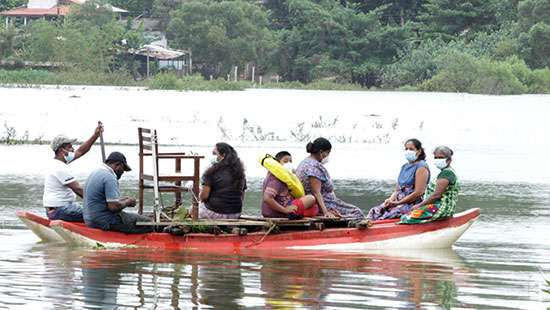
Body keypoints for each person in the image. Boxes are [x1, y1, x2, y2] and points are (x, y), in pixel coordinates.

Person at [42, 122, 103, 222]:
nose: (73, 149)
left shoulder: (58, 161)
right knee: (99, 214)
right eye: (70, 147)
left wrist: (95, 135)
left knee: (92, 210)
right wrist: (99, 203)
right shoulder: (59, 167)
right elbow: (78, 189)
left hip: (60, 208)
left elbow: (81, 151)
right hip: (60, 210)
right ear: (62, 150)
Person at [295, 137, 365, 222]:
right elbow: (316, 193)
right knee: (357, 213)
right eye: (327, 153)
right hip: (325, 204)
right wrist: (326, 212)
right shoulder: (313, 167)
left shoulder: (304, 163)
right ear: (321, 152)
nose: (327, 156)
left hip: (327, 202)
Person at [83, 151, 153, 234]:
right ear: (117, 165)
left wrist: (123, 200)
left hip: (89, 219)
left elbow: (105, 201)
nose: (123, 172)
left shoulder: (96, 172)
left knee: (132, 217)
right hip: (104, 220)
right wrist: (128, 202)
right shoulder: (110, 177)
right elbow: (113, 207)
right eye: (123, 169)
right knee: (149, 223)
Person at [367, 139, 430, 220]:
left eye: (411, 149)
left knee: (389, 215)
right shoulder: (404, 166)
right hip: (397, 201)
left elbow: (419, 192)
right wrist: (390, 200)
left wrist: (398, 203)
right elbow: (397, 190)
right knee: (375, 211)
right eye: (406, 149)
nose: (408, 151)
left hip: (411, 203)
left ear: (419, 151)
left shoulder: (421, 167)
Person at [400, 146, 459, 224]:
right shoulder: (446, 172)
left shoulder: (446, 173)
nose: (438, 160)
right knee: (409, 213)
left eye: (441, 158)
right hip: (439, 207)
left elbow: (436, 195)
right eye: (436, 157)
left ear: (449, 160)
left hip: (440, 207)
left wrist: (419, 205)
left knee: (406, 217)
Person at [261, 151, 319, 218]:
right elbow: (267, 198)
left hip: (284, 207)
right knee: (311, 198)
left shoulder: (286, 177)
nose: (288, 164)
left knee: (314, 208)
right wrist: (284, 210)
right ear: (277, 163)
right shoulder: (275, 178)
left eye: (290, 161)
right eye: (285, 161)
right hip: (277, 212)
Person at [198, 142, 247, 219]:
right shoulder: (240, 172)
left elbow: (204, 197)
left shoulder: (211, 172)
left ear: (223, 155)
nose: (213, 156)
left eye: (215, 153)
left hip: (215, 213)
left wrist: (199, 194)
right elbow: (242, 196)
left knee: (192, 210)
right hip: (235, 214)